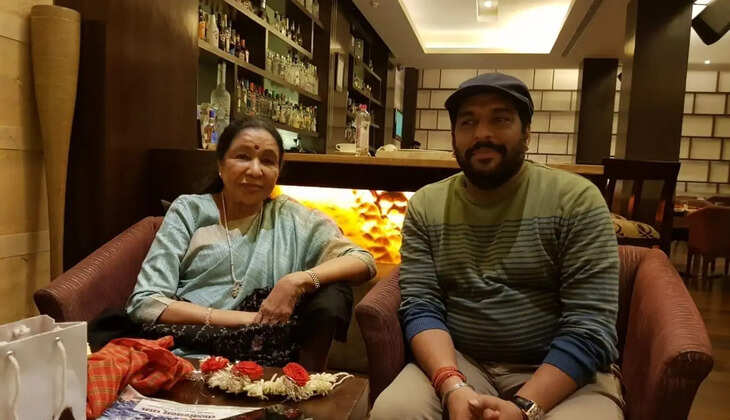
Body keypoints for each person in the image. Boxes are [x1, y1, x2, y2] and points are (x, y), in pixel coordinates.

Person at [370, 73, 623, 420]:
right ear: (454, 136)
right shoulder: (427, 205)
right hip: (461, 361)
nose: (482, 134)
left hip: (559, 372)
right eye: (468, 122)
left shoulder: (576, 200)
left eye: (500, 119)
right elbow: (422, 305)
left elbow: (590, 326)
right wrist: (452, 385)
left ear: (526, 132)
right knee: (393, 412)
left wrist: (524, 407)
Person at [126, 116, 376, 369]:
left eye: (267, 161)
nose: (255, 170)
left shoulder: (293, 219)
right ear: (221, 164)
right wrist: (246, 320)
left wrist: (297, 281)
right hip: (180, 353)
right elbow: (146, 303)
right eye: (243, 157)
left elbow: (362, 260)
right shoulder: (189, 211)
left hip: (259, 365)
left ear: (278, 171)